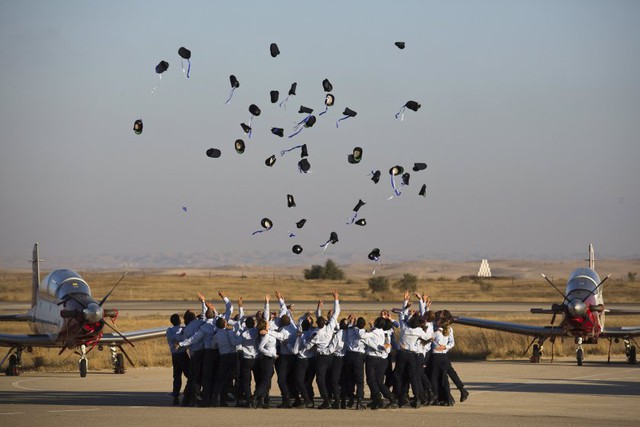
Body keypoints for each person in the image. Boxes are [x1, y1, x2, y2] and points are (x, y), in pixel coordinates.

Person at [299, 291, 340, 409]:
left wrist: (303, 339)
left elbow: (308, 346)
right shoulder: (330, 327)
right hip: (331, 357)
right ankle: (336, 400)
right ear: (325, 322)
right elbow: (336, 313)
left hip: (321, 358)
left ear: (317, 324)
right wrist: (336, 299)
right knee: (331, 379)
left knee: (320, 380)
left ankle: (326, 400)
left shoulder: (316, 334)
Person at [166, 313, 190, 405]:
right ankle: (189, 392)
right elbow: (181, 338)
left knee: (176, 376)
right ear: (179, 321)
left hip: (174, 356)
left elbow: (172, 337)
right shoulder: (182, 330)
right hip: (182, 355)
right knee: (189, 374)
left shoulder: (169, 331)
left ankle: (175, 396)